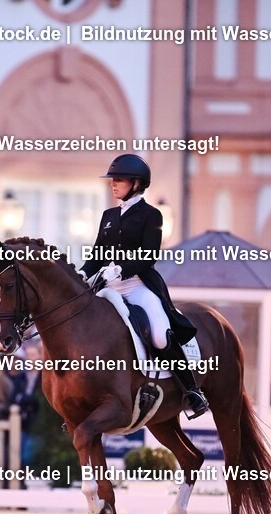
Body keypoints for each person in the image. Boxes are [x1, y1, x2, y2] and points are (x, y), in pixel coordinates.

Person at [79, 153, 208, 417]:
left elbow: (150, 255)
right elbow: (97, 254)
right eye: (112, 180)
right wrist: (83, 273)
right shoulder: (109, 215)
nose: (113, 184)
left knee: (160, 334)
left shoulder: (152, 215)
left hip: (138, 287)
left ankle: (192, 390)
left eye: (119, 179)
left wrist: (122, 268)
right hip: (109, 288)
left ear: (136, 184)